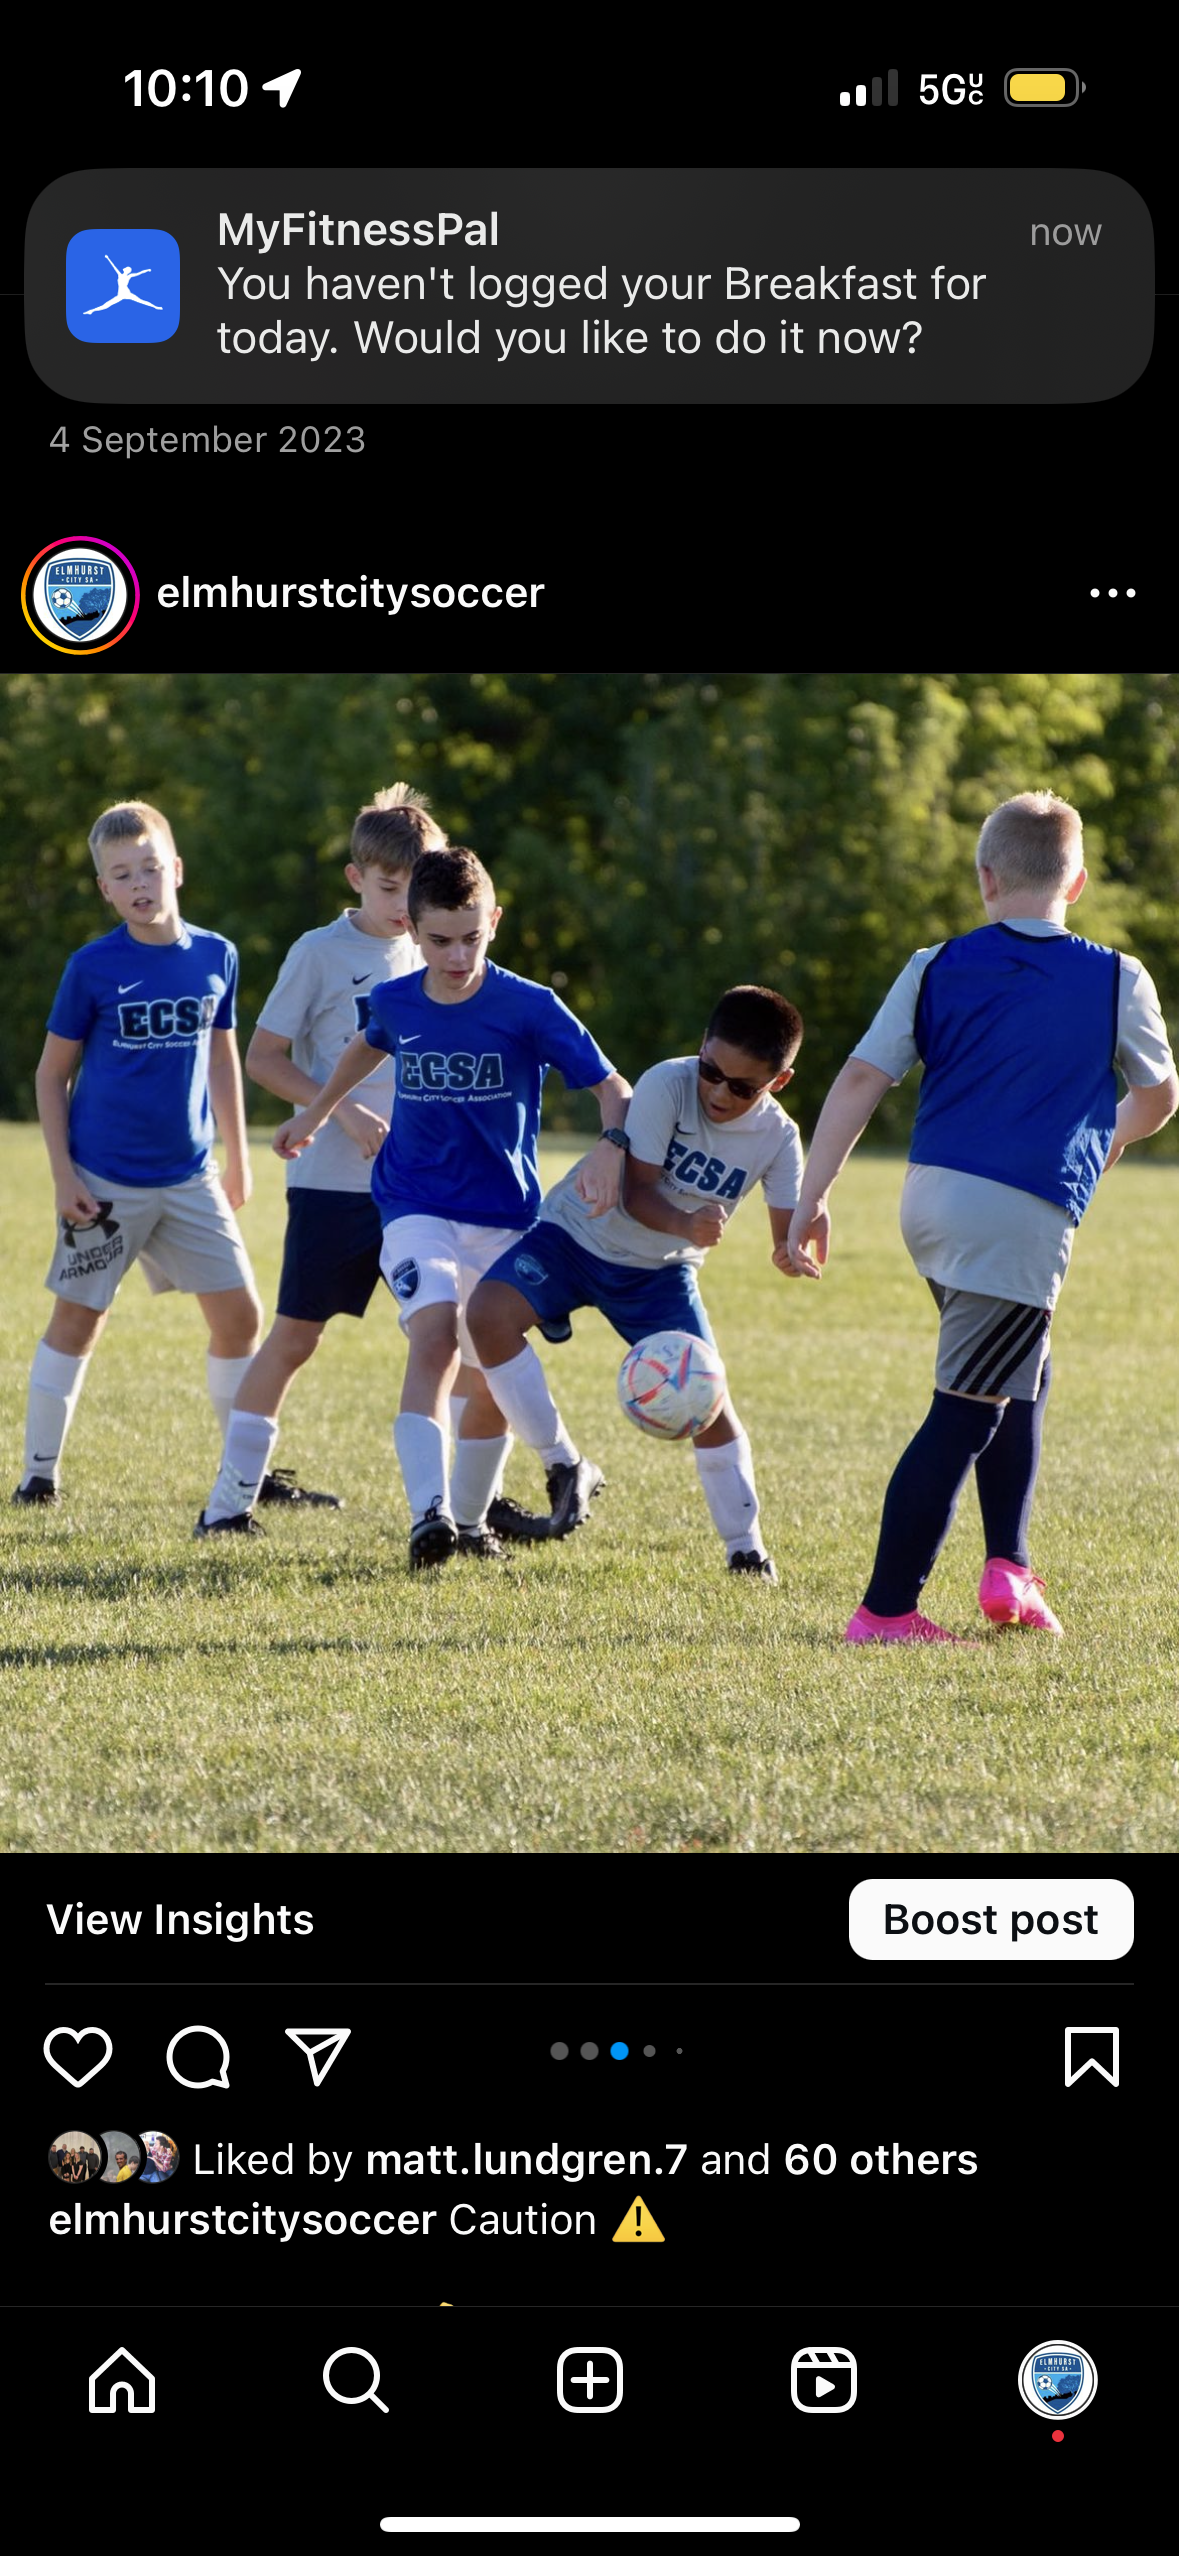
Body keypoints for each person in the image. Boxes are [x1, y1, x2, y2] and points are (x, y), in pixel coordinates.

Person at [786, 791, 1178, 1642]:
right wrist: (1100, 1142)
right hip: (1018, 1212)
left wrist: (811, 1196)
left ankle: (1010, 1570)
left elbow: (858, 1078)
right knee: (966, 1408)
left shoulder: (934, 962)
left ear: (985, 878)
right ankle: (884, 1612)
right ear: (1074, 883)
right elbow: (1159, 1096)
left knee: (1022, 1374)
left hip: (929, 1201)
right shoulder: (1117, 976)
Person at [272, 845, 632, 1567]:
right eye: (439, 940)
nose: (457, 954)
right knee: (434, 1331)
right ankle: (427, 1515)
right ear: (412, 930)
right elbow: (364, 1048)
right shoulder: (399, 999)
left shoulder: (529, 1005)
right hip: (411, 1201)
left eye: (471, 937)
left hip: (503, 1215)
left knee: (493, 1360)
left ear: (493, 921)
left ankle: (507, 1500)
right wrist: (314, 1113)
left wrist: (611, 1146)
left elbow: (611, 1087)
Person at [467, 986, 805, 1580]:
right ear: (701, 1048)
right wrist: (689, 1224)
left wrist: (794, 1243)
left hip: (659, 1275)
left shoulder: (778, 1139)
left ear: (778, 1083)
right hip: (577, 1235)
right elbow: (635, 1192)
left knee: (711, 1404)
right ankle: (563, 1464)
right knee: (487, 1315)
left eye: (743, 1087)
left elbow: (790, 1224)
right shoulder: (668, 1083)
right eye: (712, 1071)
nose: (719, 1092)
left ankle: (746, 1549)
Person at [12, 800, 273, 1510]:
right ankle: (38, 1475)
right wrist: (64, 1176)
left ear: (176, 870)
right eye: (121, 874)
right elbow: (49, 1074)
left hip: (190, 1177)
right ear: (104, 888)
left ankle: (241, 1474)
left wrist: (238, 1156)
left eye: (151, 867)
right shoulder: (91, 967)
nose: (139, 884)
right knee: (78, 1320)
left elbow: (221, 1057)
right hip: (103, 1183)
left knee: (242, 1320)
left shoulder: (217, 954)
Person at [196, 784, 436, 1533]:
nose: (403, 904)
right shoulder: (319, 953)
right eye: (390, 887)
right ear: (356, 878)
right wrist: (341, 1111)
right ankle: (228, 1504)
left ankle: (457, 1508)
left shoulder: (436, 950)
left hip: (423, 1189)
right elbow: (265, 1058)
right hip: (333, 1184)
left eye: (415, 889)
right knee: (296, 1336)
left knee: (452, 1334)